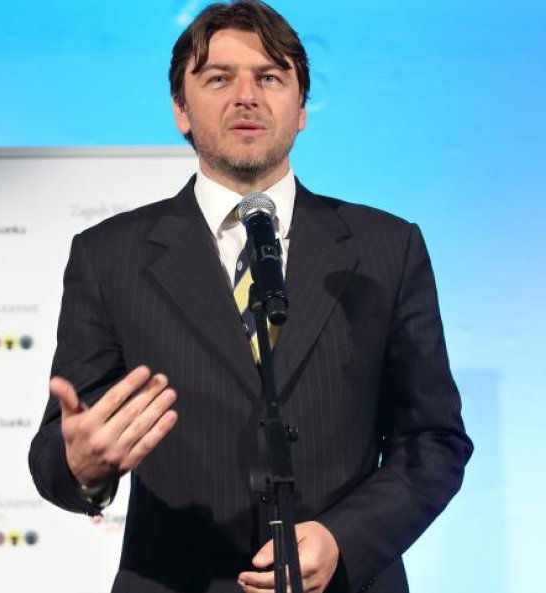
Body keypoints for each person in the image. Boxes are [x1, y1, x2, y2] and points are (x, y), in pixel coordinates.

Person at [28, 2, 473, 592]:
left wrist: (344, 538)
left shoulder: (387, 249)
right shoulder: (109, 257)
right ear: (180, 110)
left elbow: (433, 441)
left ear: (301, 108)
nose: (246, 96)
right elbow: (56, 453)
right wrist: (81, 466)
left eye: (270, 77)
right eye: (219, 79)